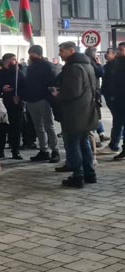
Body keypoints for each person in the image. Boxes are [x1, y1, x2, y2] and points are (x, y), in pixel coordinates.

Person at [56, 42, 100, 187]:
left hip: (75, 112)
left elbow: (72, 91)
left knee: (73, 143)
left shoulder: (74, 68)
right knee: (83, 142)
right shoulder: (87, 65)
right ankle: (89, 174)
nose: (60, 54)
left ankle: (78, 176)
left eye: (61, 51)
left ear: (71, 50)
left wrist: (58, 94)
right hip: (86, 110)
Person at [22, 45, 60, 164]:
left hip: (43, 99)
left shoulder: (48, 66)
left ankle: (55, 150)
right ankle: (43, 150)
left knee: (49, 126)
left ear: (37, 53)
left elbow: (53, 82)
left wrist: (49, 95)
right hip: (31, 100)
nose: (30, 56)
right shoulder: (30, 67)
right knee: (38, 127)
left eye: (31, 54)